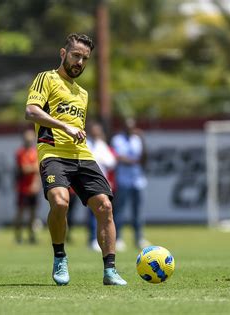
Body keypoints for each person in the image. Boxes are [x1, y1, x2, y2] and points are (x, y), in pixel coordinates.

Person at [25, 33, 126, 286]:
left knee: (105, 205)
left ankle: (110, 270)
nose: (80, 62)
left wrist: (75, 132)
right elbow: (31, 111)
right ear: (63, 53)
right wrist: (65, 127)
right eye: (76, 55)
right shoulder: (46, 79)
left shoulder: (83, 93)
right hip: (53, 152)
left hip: (81, 155)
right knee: (60, 202)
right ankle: (60, 257)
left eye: (85, 58)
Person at [111, 117, 150, 250]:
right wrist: (133, 161)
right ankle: (118, 238)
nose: (129, 129)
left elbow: (144, 156)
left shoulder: (138, 139)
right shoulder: (118, 139)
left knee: (138, 211)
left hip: (138, 180)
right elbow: (118, 156)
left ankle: (139, 238)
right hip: (123, 179)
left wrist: (143, 138)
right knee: (120, 210)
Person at [86, 121, 117, 252]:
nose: (95, 133)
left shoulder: (101, 145)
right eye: (94, 130)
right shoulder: (85, 143)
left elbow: (112, 162)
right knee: (92, 212)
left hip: (101, 182)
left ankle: (104, 240)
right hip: (87, 181)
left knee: (104, 211)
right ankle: (92, 239)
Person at [14, 129, 41, 244]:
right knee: (20, 213)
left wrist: (37, 183)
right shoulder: (20, 153)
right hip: (23, 188)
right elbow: (24, 169)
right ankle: (18, 236)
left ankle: (31, 236)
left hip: (33, 188)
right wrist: (34, 167)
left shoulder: (36, 152)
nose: (29, 140)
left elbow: (38, 170)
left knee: (33, 214)